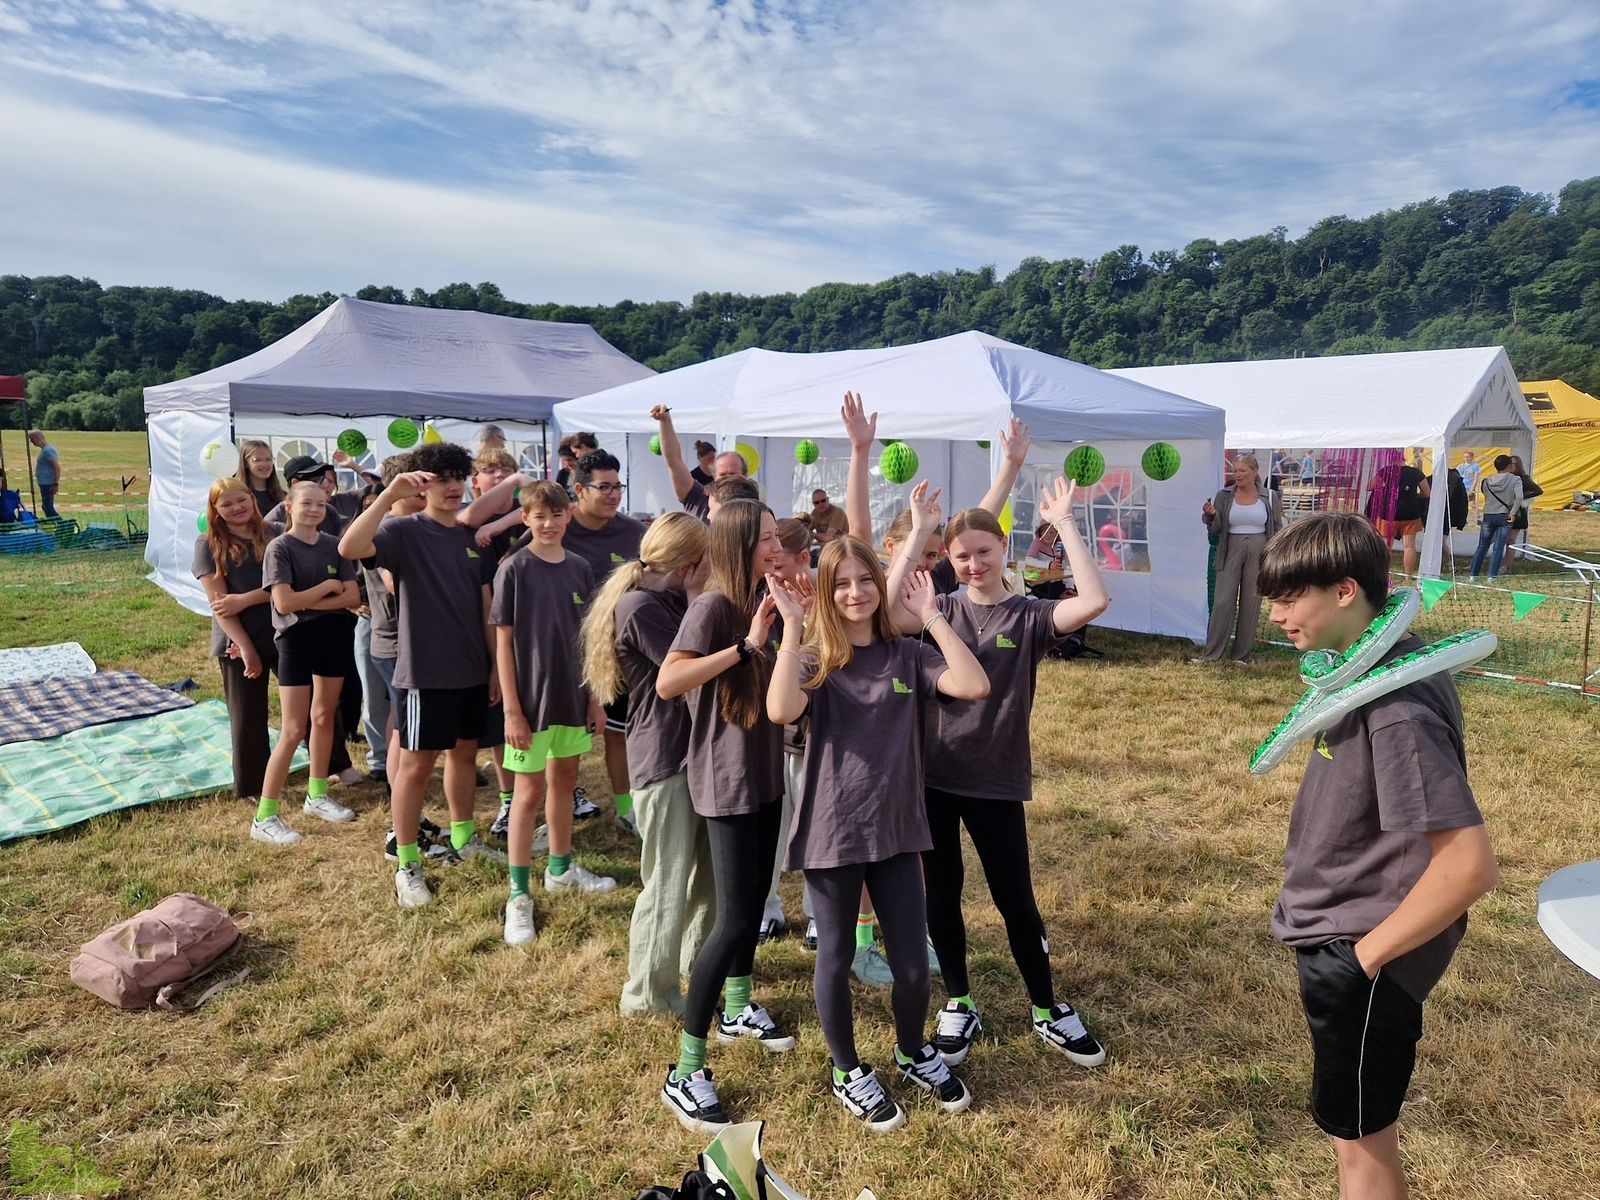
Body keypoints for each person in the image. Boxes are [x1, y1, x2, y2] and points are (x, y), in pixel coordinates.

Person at [1258, 513, 1499, 1200]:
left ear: (1343, 591)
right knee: (1355, 1138)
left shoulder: (1396, 707)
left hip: (1366, 948)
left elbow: (1468, 865)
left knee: (1362, 1151)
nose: (1275, 616)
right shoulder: (1368, 676)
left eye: (1287, 598)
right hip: (1349, 935)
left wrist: (1358, 965)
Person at [886, 481, 1113, 1073]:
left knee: (1016, 898)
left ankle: (1046, 1006)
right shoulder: (935, 608)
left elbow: (1092, 602)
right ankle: (959, 1000)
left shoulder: (1028, 615)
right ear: (949, 559)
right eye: (961, 554)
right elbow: (887, 615)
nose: (973, 563)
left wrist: (1064, 525)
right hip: (933, 778)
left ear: (1003, 548)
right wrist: (916, 534)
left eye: (984, 551)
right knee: (943, 894)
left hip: (996, 779)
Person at [766, 534, 989, 1132]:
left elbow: (973, 685)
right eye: (841, 583)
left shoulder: (906, 656)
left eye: (866, 580)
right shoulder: (815, 659)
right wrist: (792, 629)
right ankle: (847, 1071)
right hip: (833, 832)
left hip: (897, 830)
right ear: (824, 593)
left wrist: (934, 618)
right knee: (836, 957)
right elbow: (780, 710)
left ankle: (912, 1048)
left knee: (915, 967)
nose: (856, 593)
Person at [655, 499, 795, 1133]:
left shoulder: (769, 593)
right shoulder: (714, 606)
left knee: (754, 900)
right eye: (765, 537)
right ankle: (685, 1069)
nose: (776, 544)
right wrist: (746, 646)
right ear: (738, 544)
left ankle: (736, 1005)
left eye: (776, 536)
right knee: (736, 918)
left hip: (765, 772)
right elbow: (669, 681)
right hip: (728, 778)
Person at [339, 440, 506, 910]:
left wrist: (494, 668)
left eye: (458, 478)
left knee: (464, 757)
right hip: (424, 672)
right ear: (423, 485)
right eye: (441, 480)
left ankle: (463, 837)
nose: (453, 488)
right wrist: (390, 492)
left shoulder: (471, 539)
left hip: (472, 670)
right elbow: (350, 546)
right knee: (415, 765)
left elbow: (486, 608)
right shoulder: (402, 531)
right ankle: (407, 862)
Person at [581, 512, 718, 1015]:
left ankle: (690, 969)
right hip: (664, 760)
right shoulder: (642, 606)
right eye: (707, 557)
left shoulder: (664, 600)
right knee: (667, 878)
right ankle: (647, 993)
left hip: (690, 755)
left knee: (707, 876)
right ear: (689, 563)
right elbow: (689, 671)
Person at [493, 481, 616, 947]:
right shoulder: (514, 569)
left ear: (569, 517)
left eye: (556, 515)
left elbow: (591, 641)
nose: (548, 524)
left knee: (565, 780)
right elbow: (503, 643)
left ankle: (561, 868)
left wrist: (594, 697)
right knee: (527, 795)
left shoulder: (582, 568)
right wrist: (512, 711)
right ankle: (519, 893)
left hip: (572, 697)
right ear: (525, 519)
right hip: (530, 703)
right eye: (538, 516)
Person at [254, 481, 361, 845]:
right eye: (307, 503)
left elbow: (352, 595)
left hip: (333, 636)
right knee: (294, 728)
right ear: (289, 506)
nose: (315, 510)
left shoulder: (337, 546)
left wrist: (310, 599)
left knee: (324, 717)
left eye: (321, 504)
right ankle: (265, 816)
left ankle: (317, 795)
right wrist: (327, 590)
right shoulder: (279, 548)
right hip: (295, 641)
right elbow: (283, 604)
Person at [564, 450, 648, 834]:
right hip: (564, 651)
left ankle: (627, 806)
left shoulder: (633, 532)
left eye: (618, 486)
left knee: (620, 730)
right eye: (605, 487)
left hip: (618, 652)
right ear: (579, 489)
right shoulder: (557, 527)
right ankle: (562, 803)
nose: (614, 495)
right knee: (566, 738)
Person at [193, 477, 278, 806]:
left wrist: (245, 599)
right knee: (248, 716)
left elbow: (288, 584)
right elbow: (220, 605)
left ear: (252, 500)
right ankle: (253, 784)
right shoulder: (208, 543)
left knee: (313, 703)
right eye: (225, 504)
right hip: (237, 641)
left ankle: (332, 765)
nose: (236, 508)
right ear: (214, 509)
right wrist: (245, 646)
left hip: (283, 633)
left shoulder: (274, 534)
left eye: (241, 500)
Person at [1194, 454, 1284, 664]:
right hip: (1230, 549)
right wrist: (1210, 515)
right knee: (1223, 602)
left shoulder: (1269, 497)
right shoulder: (1224, 495)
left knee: (1251, 603)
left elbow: (1278, 529)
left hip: (1259, 550)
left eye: (1243, 471)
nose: (1238, 475)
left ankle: (1241, 656)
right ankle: (1212, 655)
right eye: (1235, 471)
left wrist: (1275, 556)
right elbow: (1216, 528)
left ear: (1254, 471)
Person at [650, 407, 752, 523]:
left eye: (733, 474)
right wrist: (665, 421)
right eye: (723, 475)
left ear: (745, 476)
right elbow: (674, 461)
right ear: (714, 477)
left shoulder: (754, 510)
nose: (728, 479)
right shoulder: (698, 499)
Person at [264, 456, 365, 535]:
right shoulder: (276, 519)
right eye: (315, 480)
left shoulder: (330, 512)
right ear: (295, 483)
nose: (322, 485)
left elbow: (375, 488)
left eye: (322, 479)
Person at [1365, 458, 1431, 577]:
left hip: (1388, 514)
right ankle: (1408, 575)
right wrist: (1415, 495)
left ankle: (1383, 572)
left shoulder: (1385, 471)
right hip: (1410, 513)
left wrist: (1384, 488)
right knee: (1409, 545)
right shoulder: (1416, 472)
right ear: (1404, 458)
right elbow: (1427, 493)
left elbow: (1369, 487)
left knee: (1386, 544)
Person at [1469, 455, 1523, 580]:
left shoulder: (1487, 480)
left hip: (1488, 514)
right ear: (1509, 466)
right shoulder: (1515, 480)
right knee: (1498, 547)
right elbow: (1519, 497)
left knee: (1482, 546)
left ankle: (1473, 575)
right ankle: (1491, 576)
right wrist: (1513, 512)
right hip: (1505, 515)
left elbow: (1485, 494)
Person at [1507, 454, 1543, 559]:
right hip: (1503, 511)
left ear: (1518, 466)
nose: (1511, 466)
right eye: (1509, 464)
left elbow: (1538, 490)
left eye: (1513, 464)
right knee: (1492, 539)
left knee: (1511, 541)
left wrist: (1521, 496)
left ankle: (1506, 565)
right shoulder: (1505, 477)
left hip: (1517, 513)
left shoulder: (1523, 478)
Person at [237, 440, 285, 515]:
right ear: (246, 463)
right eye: (257, 460)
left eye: (268, 459)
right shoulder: (237, 495)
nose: (264, 464)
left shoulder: (282, 496)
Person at [27, 431, 60, 519]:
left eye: (32, 439)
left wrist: (55, 484)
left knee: (48, 508)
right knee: (46, 507)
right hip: (45, 483)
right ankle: (56, 525)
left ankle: (64, 525)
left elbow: (57, 467)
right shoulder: (45, 450)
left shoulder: (48, 451)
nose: (31, 442)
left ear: (38, 438)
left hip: (48, 483)